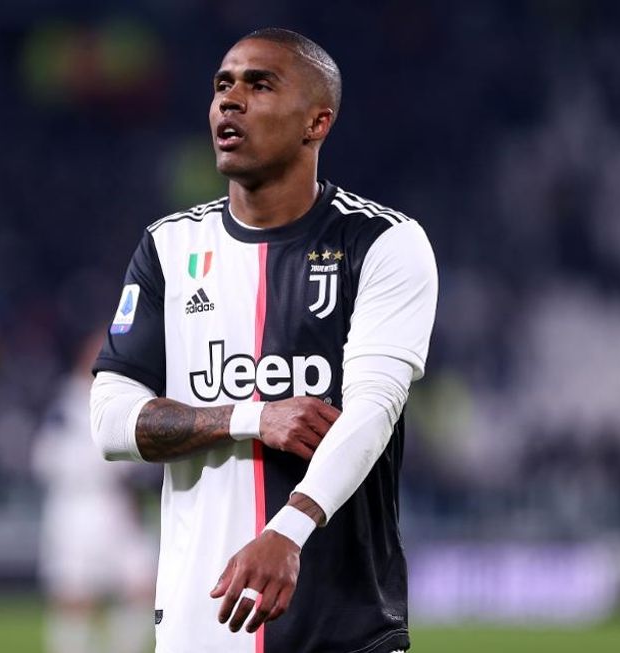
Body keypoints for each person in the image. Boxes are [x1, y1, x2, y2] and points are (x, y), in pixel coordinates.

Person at [90, 27, 438, 653]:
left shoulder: (384, 243)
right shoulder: (169, 247)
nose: (230, 100)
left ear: (316, 123)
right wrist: (251, 416)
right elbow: (110, 423)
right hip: (200, 626)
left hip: (343, 627)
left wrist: (289, 530)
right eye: (223, 85)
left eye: (259, 85)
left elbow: (374, 408)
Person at [33, 328, 156, 653]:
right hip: (77, 507)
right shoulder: (67, 403)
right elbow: (44, 457)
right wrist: (104, 464)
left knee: (144, 584)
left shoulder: (125, 397)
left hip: (117, 505)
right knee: (75, 596)